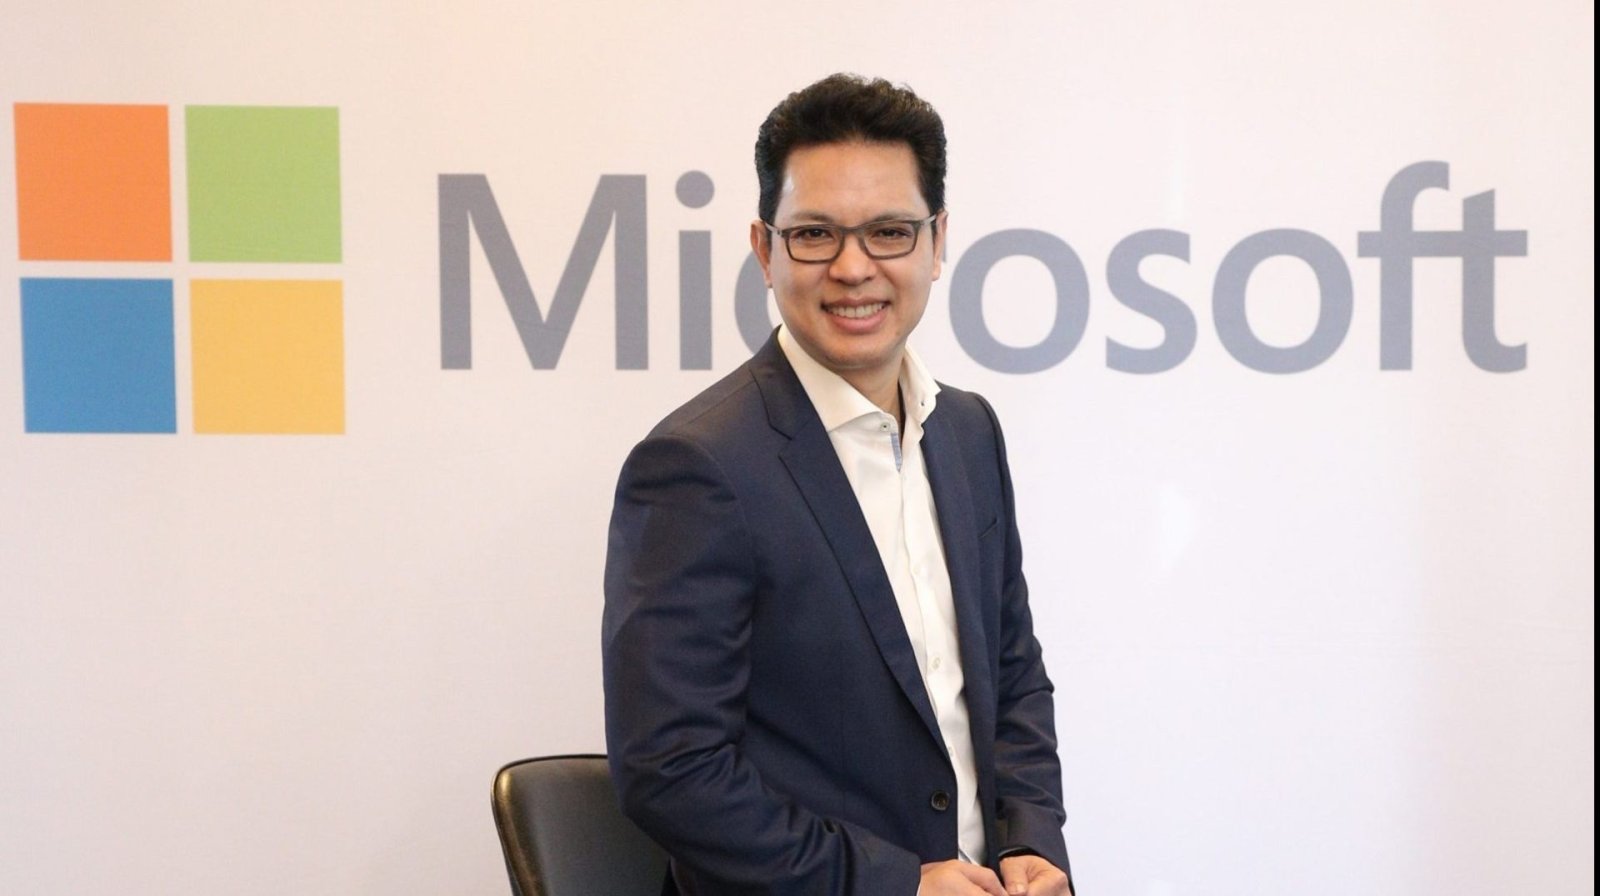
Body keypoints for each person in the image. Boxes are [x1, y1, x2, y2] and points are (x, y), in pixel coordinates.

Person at [602, 73, 1073, 896]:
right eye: (815, 234)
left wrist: (1031, 837)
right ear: (765, 250)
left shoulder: (967, 432)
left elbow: (1012, 673)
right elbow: (671, 770)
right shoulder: (698, 466)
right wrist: (898, 886)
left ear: (937, 241)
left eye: (889, 232)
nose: (854, 268)